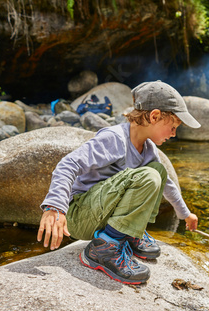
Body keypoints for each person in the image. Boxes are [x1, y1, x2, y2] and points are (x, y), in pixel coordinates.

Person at [37, 80, 200, 285]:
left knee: (158, 171)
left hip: (102, 213)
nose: (174, 134)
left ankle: (129, 234)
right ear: (154, 116)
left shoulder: (148, 149)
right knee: (149, 176)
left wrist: (185, 214)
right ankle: (104, 249)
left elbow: (167, 184)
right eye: (173, 127)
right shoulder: (114, 138)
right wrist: (55, 206)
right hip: (79, 215)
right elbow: (67, 164)